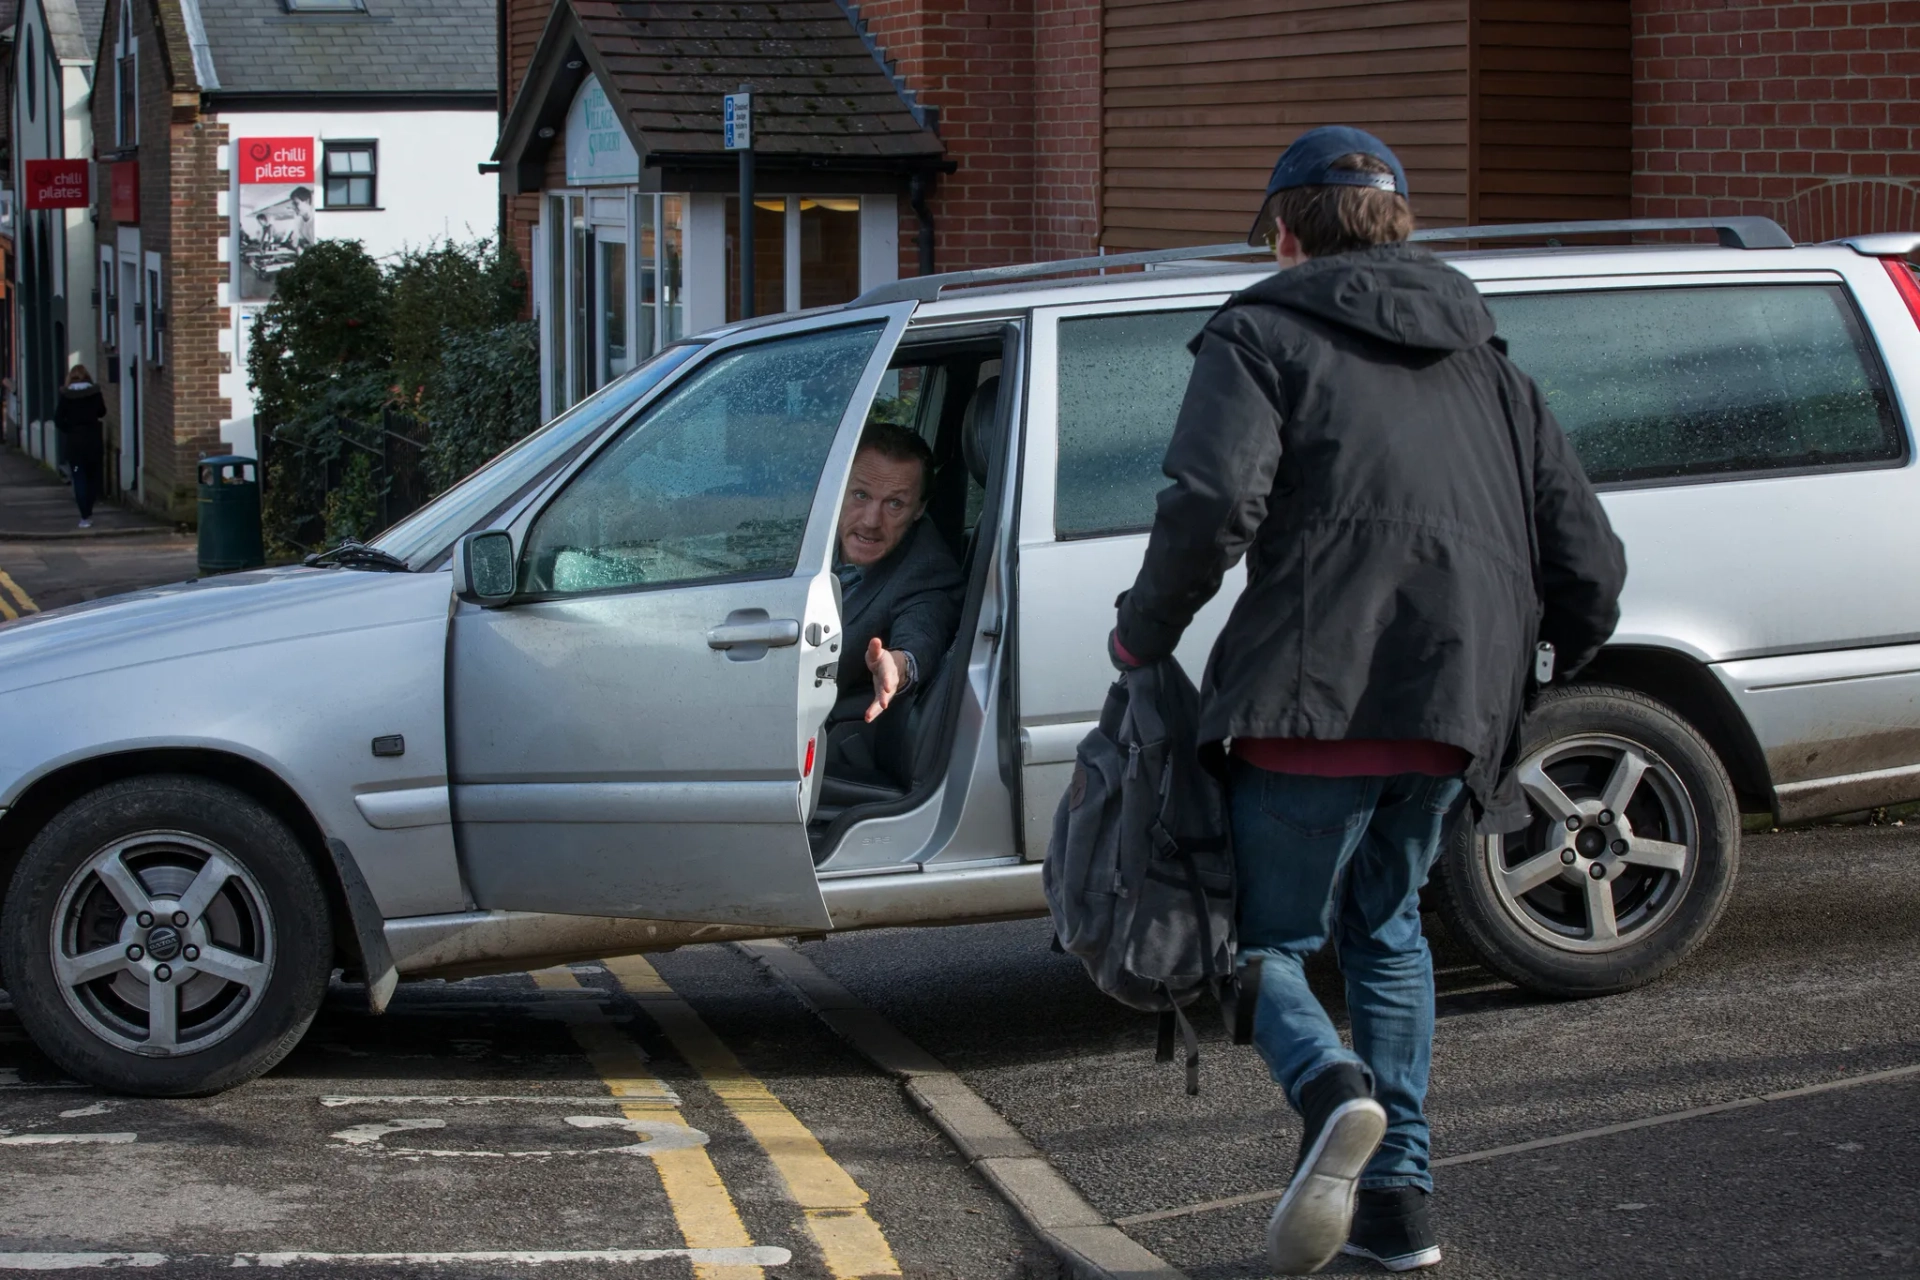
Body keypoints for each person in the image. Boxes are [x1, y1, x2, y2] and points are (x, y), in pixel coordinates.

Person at [1108, 127, 1627, 1274]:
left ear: (1287, 233)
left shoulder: (1259, 331)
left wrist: (1143, 632)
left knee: (1268, 944)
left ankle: (1328, 1085)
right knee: (1389, 932)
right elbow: (1585, 548)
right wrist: (1549, 660)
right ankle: (1398, 1212)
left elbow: (1208, 503)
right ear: (1401, 228)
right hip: (1452, 709)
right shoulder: (1487, 356)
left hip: (1308, 702)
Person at [829, 422, 964, 735]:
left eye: (895, 504)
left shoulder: (926, 569)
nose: (871, 520)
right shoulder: (812, 522)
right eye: (861, 495)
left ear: (919, 510)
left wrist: (898, 667)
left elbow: (923, 632)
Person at [54, 365, 108, 529]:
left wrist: (69, 428)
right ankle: (89, 511)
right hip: (93, 441)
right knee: (92, 478)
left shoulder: (66, 395)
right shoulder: (94, 393)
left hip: (75, 443)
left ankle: (84, 515)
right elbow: (102, 412)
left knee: (78, 477)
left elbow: (58, 419)